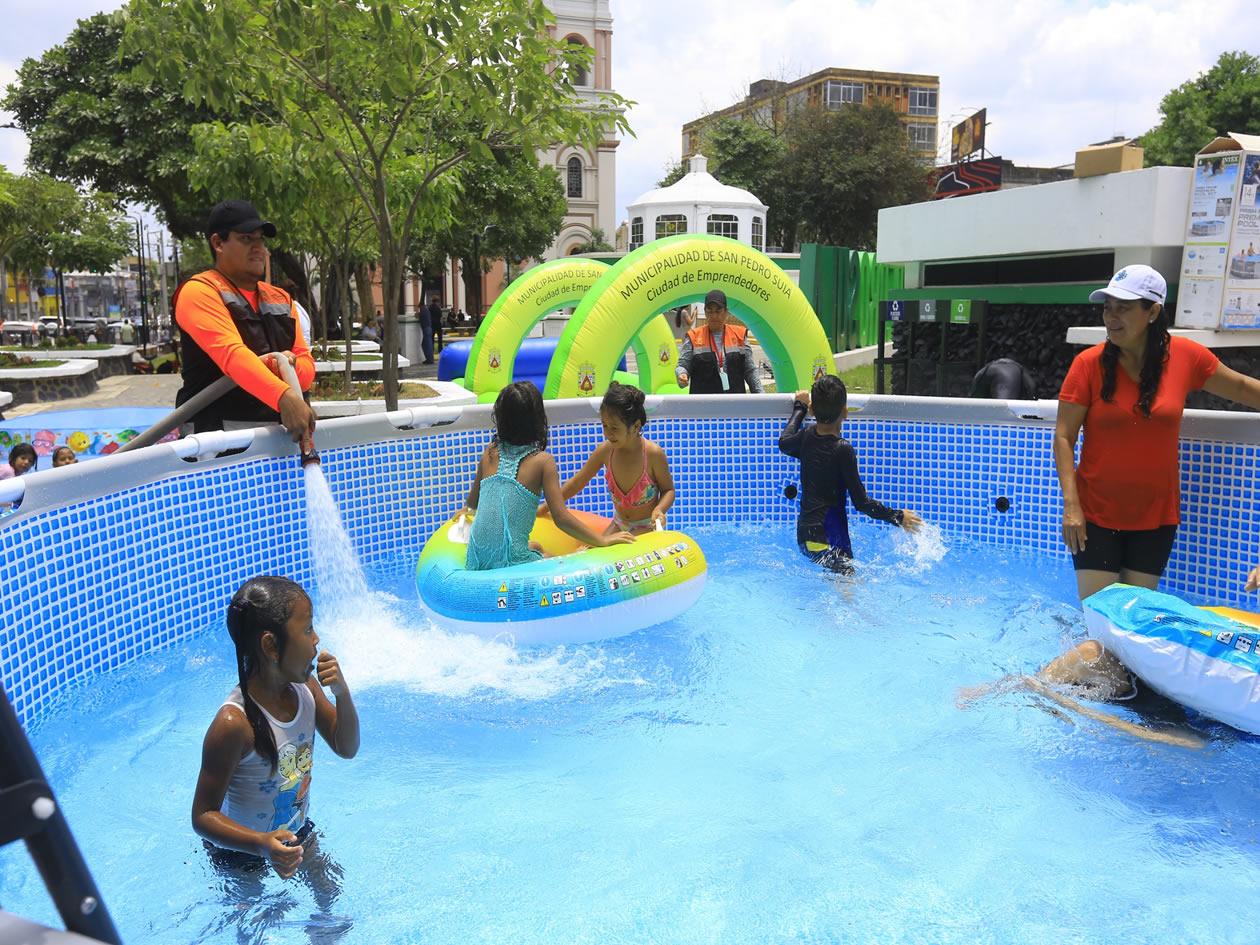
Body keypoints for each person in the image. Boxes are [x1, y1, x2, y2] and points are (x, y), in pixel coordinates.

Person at [1056, 265, 1260, 603]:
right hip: (1095, 515)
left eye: (1123, 308)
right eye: (1107, 307)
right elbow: (1064, 436)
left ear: (1152, 312)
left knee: (1132, 627)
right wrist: (1072, 506)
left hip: (1156, 518)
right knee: (1101, 623)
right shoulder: (1088, 365)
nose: (1111, 317)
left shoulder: (1186, 357)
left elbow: (1240, 386)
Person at [192, 576, 359, 879]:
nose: (316, 639)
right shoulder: (233, 725)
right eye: (307, 629)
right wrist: (260, 844)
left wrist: (342, 694)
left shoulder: (305, 687)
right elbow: (203, 816)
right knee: (257, 918)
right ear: (270, 645)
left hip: (293, 830)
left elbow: (346, 747)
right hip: (239, 850)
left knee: (329, 892)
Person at [171, 200, 316, 447]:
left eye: (261, 240)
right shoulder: (200, 292)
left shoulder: (279, 298)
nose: (259, 248)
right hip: (217, 450)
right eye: (247, 239)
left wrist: (286, 369)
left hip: (279, 446)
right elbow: (232, 356)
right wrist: (283, 394)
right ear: (218, 243)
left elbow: (305, 363)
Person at [462, 381, 635, 570]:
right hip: (510, 561)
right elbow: (561, 518)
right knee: (556, 558)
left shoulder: (490, 452)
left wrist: (465, 512)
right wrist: (602, 540)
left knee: (535, 546)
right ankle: (571, 557)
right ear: (537, 419)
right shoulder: (543, 461)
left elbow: (472, 503)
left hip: (476, 558)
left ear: (500, 419)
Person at [778, 375, 923, 573]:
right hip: (829, 536)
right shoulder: (843, 449)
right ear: (845, 412)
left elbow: (784, 442)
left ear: (812, 410)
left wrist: (799, 408)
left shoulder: (805, 437)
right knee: (847, 584)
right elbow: (861, 502)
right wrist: (898, 517)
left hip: (805, 536)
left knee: (833, 579)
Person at [555, 381, 676, 535]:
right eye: (604, 425)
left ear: (636, 426)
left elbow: (668, 490)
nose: (608, 433)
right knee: (589, 554)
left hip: (647, 528)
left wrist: (659, 509)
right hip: (619, 525)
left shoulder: (653, 454)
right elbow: (577, 482)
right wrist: (549, 506)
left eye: (614, 428)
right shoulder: (606, 451)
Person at [675, 290, 763, 394]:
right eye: (709, 311)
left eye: (718, 311)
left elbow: (749, 370)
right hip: (703, 405)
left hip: (735, 405)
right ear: (705, 311)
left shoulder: (740, 335)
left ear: (726, 312)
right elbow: (682, 365)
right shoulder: (693, 336)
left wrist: (760, 394)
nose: (714, 316)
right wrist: (682, 374)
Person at [970, 358, 1037, 400]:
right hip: (1009, 370)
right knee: (1003, 408)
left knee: (974, 406)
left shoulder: (1019, 370)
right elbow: (1032, 388)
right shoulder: (1020, 369)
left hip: (986, 371)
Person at [423, 296, 441, 364]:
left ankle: (432, 351)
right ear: (437, 301)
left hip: (432, 324)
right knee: (440, 338)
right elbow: (440, 315)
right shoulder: (438, 308)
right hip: (438, 324)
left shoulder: (430, 307)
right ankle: (440, 349)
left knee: (431, 339)